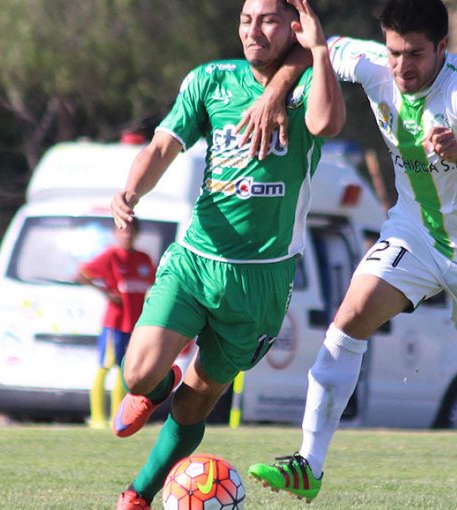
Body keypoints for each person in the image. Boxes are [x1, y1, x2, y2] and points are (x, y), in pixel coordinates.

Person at [244, 1, 457, 508]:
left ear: (442, 50)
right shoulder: (372, 63)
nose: (403, 66)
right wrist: (278, 88)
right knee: (351, 316)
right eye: (395, 52)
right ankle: (309, 464)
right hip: (416, 231)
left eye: (417, 54)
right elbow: (310, 49)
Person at [108, 0, 344, 508]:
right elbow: (161, 147)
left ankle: (139, 494)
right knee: (136, 374)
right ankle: (155, 383)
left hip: (260, 282)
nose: (253, 30)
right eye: (245, 19)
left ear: (294, 28)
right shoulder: (211, 80)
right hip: (196, 260)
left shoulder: (307, 86)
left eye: (267, 19)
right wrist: (131, 192)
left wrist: (318, 50)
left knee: (195, 403)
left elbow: (326, 124)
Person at [75, 218, 156, 429]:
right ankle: (97, 417)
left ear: (137, 234)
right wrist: (105, 292)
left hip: (135, 324)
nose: (126, 235)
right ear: (115, 234)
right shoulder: (111, 256)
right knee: (104, 366)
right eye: (122, 231)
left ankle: (118, 418)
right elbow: (81, 274)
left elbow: (155, 283)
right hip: (115, 323)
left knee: (125, 370)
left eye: (130, 231)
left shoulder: (143, 259)